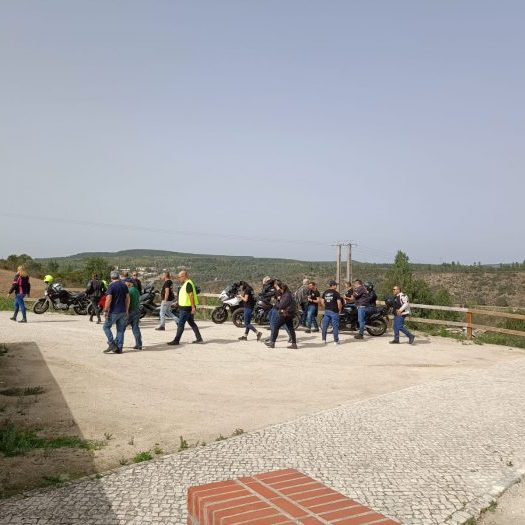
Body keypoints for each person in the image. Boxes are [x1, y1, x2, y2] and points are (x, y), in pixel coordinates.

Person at [168, 271, 203, 345]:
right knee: (192, 323)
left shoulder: (188, 284)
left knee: (180, 324)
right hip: (186, 307)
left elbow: (191, 295)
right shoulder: (186, 284)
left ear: (184, 276)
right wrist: (178, 303)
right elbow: (185, 296)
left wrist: (193, 307)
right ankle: (199, 338)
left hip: (186, 308)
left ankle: (176, 340)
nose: (179, 278)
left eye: (179, 277)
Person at [102, 271, 130, 354]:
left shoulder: (111, 286)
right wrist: (127, 310)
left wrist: (105, 310)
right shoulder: (124, 285)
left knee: (106, 327)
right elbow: (128, 298)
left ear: (111, 278)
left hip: (114, 311)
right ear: (118, 277)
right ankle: (120, 348)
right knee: (120, 330)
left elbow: (109, 299)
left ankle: (111, 343)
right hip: (122, 311)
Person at [265, 280, 297, 349]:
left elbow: (282, 305)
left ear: (283, 289)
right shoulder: (287, 294)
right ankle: (294, 344)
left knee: (276, 326)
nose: (280, 290)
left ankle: (272, 343)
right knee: (291, 328)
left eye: (280, 289)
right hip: (289, 314)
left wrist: (275, 305)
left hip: (285, 314)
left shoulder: (287, 295)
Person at [321, 280, 342, 345]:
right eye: (335, 285)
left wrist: (326, 307)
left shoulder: (325, 292)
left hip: (327, 311)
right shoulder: (336, 293)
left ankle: (323, 340)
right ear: (332, 285)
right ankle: (336, 341)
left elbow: (322, 301)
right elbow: (339, 303)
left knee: (325, 326)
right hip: (334, 311)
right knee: (335, 326)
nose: (336, 286)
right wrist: (339, 310)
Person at [125, 278, 143, 350]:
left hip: (131, 311)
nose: (125, 284)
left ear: (129, 283)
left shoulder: (129, 291)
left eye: (126, 282)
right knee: (135, 328)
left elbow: (127, 302)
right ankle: (139, 344)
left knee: (121, 327)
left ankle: (116, 343)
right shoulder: (136, 290)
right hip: (137, 310)